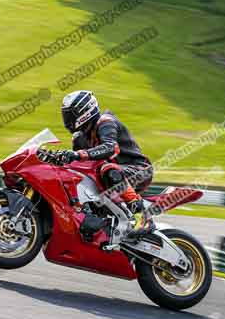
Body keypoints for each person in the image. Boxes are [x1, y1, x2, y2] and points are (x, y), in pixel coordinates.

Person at [57, 90, 155, 236]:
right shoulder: (79, 138)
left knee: (108, 169)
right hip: (110, 178)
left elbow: (110, 147)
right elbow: (78, 168)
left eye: (70, 114)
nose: (67, 119)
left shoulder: (105, 122)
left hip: (139, 170)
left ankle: (142, 216)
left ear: (84, 112)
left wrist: (78, 154)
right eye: (66, 114)